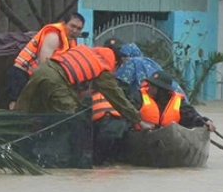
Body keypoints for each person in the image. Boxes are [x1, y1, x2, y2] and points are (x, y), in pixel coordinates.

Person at [14, 39, 145, 128]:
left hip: (41, 70)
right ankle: (65, 159)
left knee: (25, 112)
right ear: (117, 62)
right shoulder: (103, 68)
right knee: (73, 118)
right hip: (56, 80)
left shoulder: (87, 51)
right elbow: (118, 99)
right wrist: (137, 119)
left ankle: (11, 148)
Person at [5, 12, 86, 109]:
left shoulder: (70, 42)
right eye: (72, 26)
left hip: (36, 77)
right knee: (17, 106)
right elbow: (44, 66)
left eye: (78, 28)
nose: (75, 30)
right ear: (64, 24)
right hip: (21, 74)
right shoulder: (53, 37)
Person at [130, 71, 216, 132]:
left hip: (168, 141)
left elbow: (192, 116)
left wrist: (206, 122)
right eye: (150, 85)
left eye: (153, 86)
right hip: (142, 137)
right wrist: (139, 122)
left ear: (162, 90)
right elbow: (126, 113)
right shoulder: (139, 97)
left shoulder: (177, 102)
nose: (149, 88)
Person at [114, 42, 186, 98]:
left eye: (124, 56)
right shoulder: (149, 61)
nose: (122, 59)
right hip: (177, 97)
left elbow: (121, 82)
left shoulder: (132, 62)